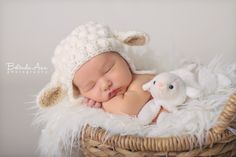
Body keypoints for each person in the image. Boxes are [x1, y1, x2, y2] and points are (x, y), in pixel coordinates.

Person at [37, 21, 155, 117]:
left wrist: (104, 105)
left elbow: (126, 109)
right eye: (91, 86)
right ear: (81, 94)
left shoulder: (144, 81)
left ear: (124, 59)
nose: (105, 85)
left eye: (108, 69)